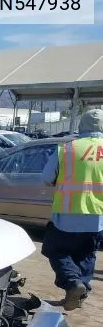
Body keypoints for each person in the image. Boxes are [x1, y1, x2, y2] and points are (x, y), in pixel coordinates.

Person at [41, 108, 103, 310]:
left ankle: (73, 284)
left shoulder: (67, 148)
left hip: (67, 214)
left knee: (54, 249)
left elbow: (47, 178)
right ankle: (78, 293)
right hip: (98, 217)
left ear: (81, 125)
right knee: (86, 254)